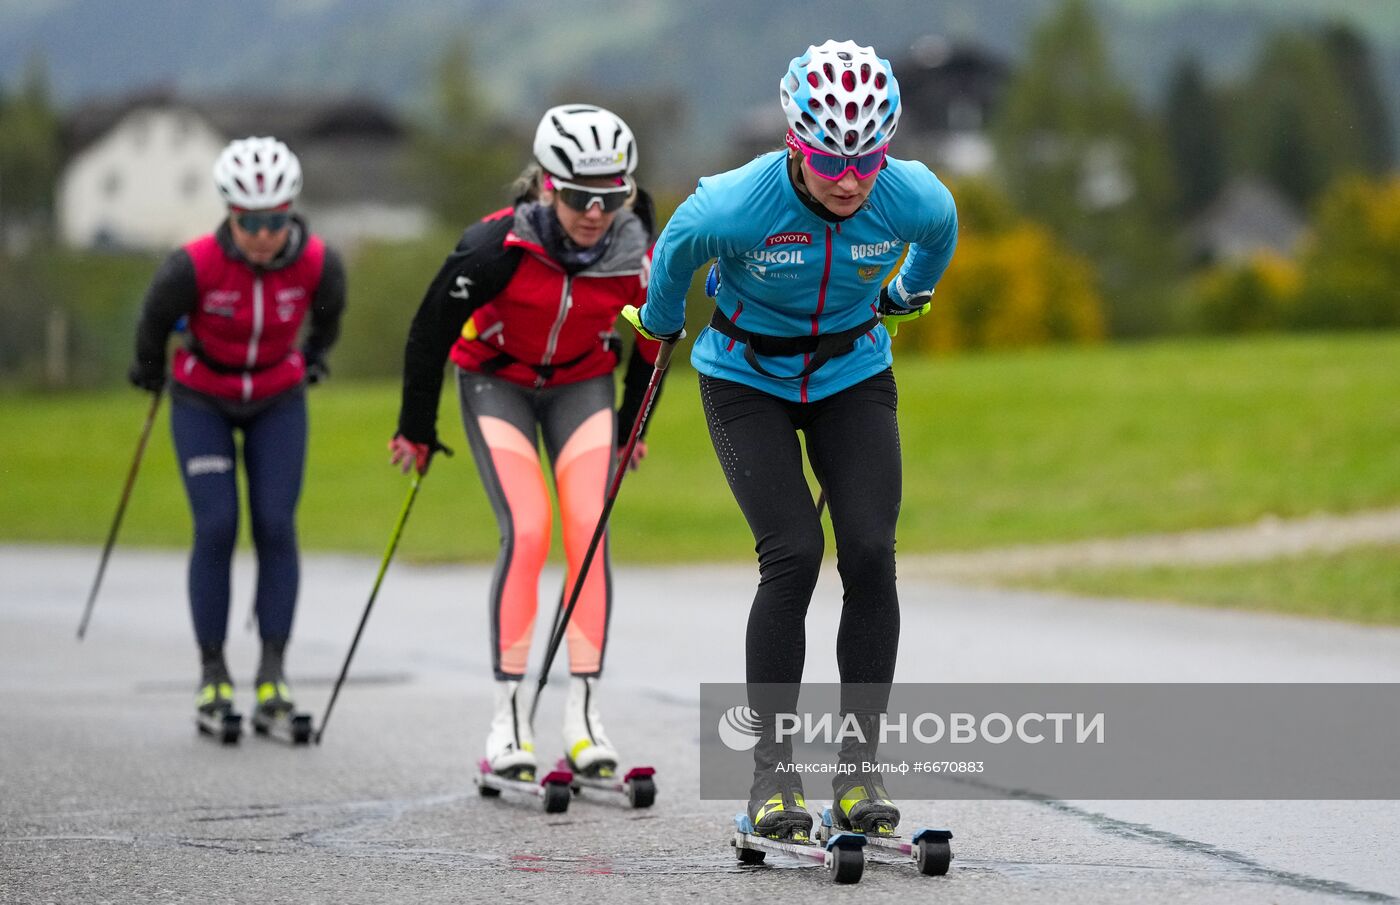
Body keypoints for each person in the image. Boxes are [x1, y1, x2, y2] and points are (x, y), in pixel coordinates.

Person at [626, 40, 958, 839]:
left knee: (871, 554)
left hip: (851, 372)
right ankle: (773, 778)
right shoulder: (736, 206)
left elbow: (938, 237)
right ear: (794, 142)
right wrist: (663, 322)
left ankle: (858, 774)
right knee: (795, 553)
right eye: (828, 157)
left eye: (867, 158)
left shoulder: (912, 198)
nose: (849, 178)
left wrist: (908, 292)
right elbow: (673, 251)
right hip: (745, 379)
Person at [391, 104, 663, 781]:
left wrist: (632, 430)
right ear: (546, 184)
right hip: (497, 382)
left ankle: (583, 717)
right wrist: (416, 429)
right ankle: (508, 718)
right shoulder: (493, 248)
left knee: (588, 527)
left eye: (611, 196)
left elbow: (653, 344)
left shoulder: (638, 256)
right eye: (578, 197)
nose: (595, 212)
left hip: (583, 386)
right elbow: (429, 331)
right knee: (532, 527)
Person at [128, 136, 346, 731]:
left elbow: (329, 316)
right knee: (217, 525)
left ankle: (273, 672)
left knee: (276, 524)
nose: (263, 233)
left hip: (278, 397)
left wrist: (315, 358)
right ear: (230, 213)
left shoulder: (319, 262)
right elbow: (151, 320)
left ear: (291, 211)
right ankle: (212, 672)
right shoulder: (194, 265)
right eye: (250, 221)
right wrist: (148, 369)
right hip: (203, 398)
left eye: (276, 219)